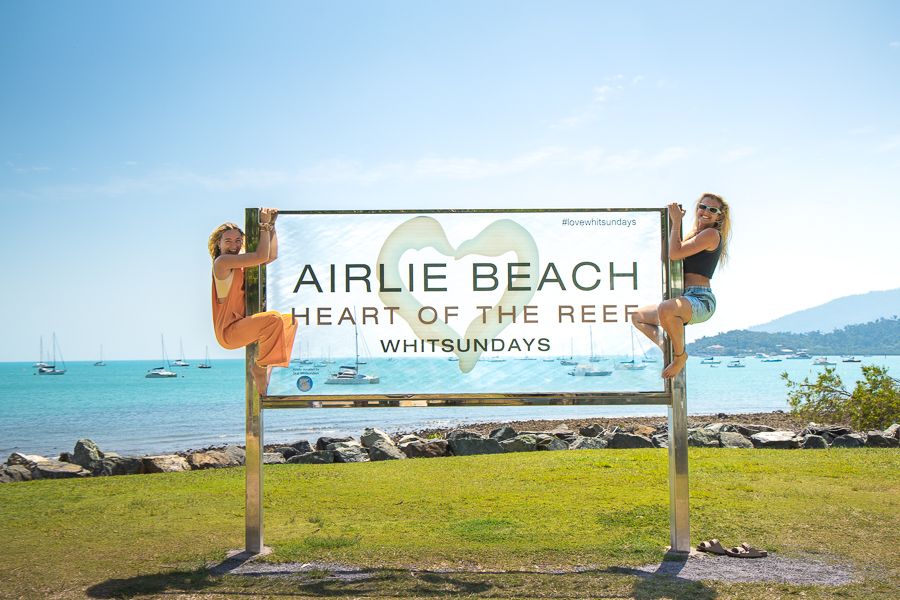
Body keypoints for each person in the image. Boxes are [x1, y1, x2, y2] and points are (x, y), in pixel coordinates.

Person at [632, 193, 731, 379]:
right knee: (638, 317)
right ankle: (669, 349)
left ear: (720, 216)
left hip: (701, 300)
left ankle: (680, 356)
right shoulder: (694, 235)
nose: (706, 212)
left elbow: (675, 254)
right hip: (684, 298)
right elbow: (668, 258)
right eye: (703, 206)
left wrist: (676, 221)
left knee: (666, 308)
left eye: (712, 209)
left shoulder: (711, 234)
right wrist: (671, 226)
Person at [208, 208, 297, 394]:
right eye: (228, 241)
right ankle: (260, 367)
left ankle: (268, 365)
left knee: (289, 320)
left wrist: (271, 226)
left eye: (238, 241)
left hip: (242, 325)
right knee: (273, 319)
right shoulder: (222, 263)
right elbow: (261, 256)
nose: (234, 245)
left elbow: (271, 256)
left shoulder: (240, 266)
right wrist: (264, 225)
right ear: (218, 243)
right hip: (228, 332)